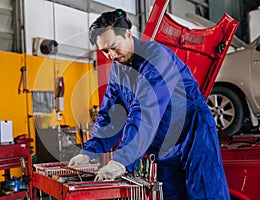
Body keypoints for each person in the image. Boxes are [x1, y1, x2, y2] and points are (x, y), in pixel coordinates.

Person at [69, 9, 230, 199]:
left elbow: (146, 109)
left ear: (128, 34)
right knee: (171, 194)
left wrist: (122, 159)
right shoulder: (117, 70)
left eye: (113, 47)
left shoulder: (156, 57)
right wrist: (90, 151)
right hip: (162, 141)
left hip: (193, 133)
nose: (111, 55)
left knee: (205, 190)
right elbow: (112, 115)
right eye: (105, 51)